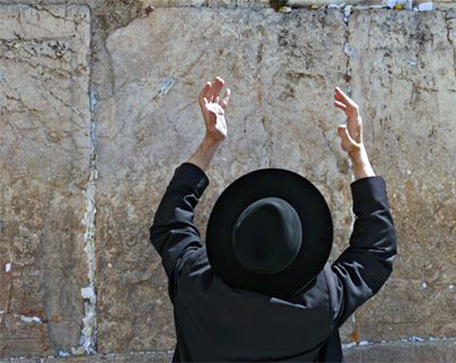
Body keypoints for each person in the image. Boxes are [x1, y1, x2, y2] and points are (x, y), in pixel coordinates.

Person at [149, 76, 397, 362]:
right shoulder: (322, 300)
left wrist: (210, 143)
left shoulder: (196, 281)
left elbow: (170, 221)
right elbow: (377, 251)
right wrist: (357, 154)